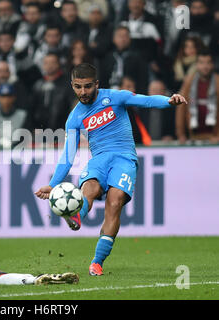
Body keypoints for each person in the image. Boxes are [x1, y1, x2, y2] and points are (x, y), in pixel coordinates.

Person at [34, 63, 187, 276]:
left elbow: (146, 100)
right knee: (90, 188)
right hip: (99, 160)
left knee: (114, 202)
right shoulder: (75, 118)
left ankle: (97, 261)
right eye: (78, 87)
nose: (83, 92)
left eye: (87, 86)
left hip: (124, 159)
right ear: (72, 85)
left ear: (97, 84)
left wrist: (169, 101)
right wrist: (52, 185)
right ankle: (76, 216)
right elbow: (68, 157)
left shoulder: (115, 97)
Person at [176, 50, 219, 144]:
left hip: (214, 138)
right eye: (202, 63)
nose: (205, 66)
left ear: (212, 65)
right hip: (194, 137)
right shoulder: (189, 82)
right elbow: (181, 108)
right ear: (197, 65)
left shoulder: (217, 82)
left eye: (208, 62)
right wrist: (181, 134)